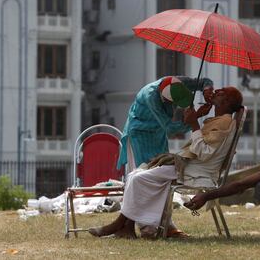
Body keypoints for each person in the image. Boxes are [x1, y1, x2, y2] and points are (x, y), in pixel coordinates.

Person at [88, 86, 243, 239]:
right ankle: (127, 227)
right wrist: (197, 117)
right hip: (190, 166)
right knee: (135, 174)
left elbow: (204, 152)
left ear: (226, 102)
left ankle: (119, 224)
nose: (215, 91)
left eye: (220, 92)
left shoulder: (224, 122)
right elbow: (202, 147)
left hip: (195, 172)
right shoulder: (220, 120)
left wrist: (194, 124)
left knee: (138, 178)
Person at [117, 76, 214, 175]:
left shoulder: (177, 82)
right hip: (140, 134)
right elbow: (170, 128)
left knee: (162, 169)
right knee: (143, 173)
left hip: (158, 132)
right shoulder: (151, 97)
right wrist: (196, 116)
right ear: (167, 100)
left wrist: (207, 90)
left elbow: (205, 81)